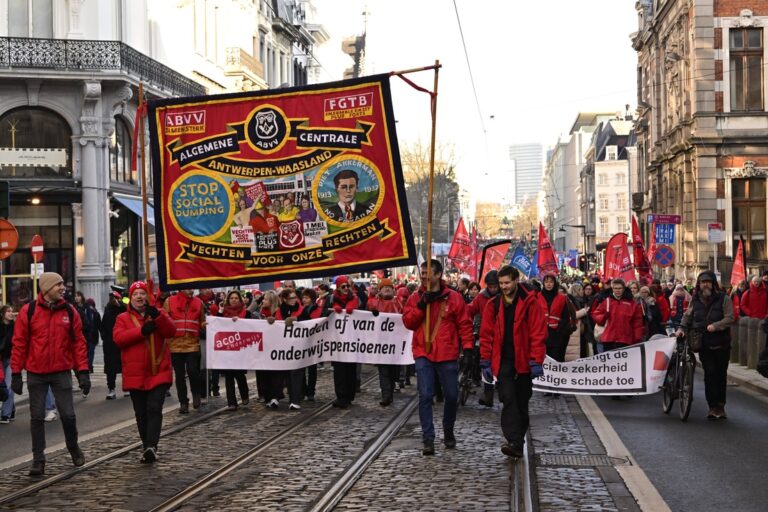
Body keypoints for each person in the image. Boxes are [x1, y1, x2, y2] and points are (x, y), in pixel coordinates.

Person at [11, 272, 89, 476]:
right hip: (36, 373)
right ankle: (38, 460)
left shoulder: (70, 312)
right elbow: (19, 343)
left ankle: (73, 447)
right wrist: (17, 373)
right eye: (58, 285)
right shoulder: (28, 312)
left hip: (61, 372)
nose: (63, 288)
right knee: (37, 417)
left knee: (68, 415)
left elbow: (78, 343)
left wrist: (82, 371)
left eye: (63, 284)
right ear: (46, 289)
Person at [402, 259, 474, 455]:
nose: (423, 276)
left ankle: (448, 428)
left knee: (451, 395)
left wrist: (468, 349)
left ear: (438, 274)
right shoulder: (415, 297)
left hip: (447, 353)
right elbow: (408, 322)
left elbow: (465, 324)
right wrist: (420, 305)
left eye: (427, 273)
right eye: (422, 273)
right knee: (425, 395)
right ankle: (428, 438)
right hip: (423, 352)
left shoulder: (454, 297)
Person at [479, 265, 546, 458]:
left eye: (507, 282)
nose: (504, 286)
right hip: (504, 360)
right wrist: (485, 360)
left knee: (522, 401)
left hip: (524, 359)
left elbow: (537, 332)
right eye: (501, 283)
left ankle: (518, 437)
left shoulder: (530, 302)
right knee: (508, 398)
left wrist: (536, 360)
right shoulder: (493, 304)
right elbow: (486, 334)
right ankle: (514, 440)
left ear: (516, 280)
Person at [113, 282, 175, 463]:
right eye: (136, 294)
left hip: (158, 370)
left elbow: (171, 331)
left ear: (148, 297)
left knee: (154, 408)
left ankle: (151, 445)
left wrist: (159, 317)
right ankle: (146, 445)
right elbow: (119, 339)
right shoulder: (122, 318)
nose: (139, 297)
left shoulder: (158, 314)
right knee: (141, 413)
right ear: (130, 298)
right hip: (136, 373)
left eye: (142, 293)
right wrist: (141, 331)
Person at [676, 271, 734, 419]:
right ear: (699, 284)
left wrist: (716, 326)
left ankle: (720, 406)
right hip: (705, 343)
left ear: (713, 284)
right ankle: (712, 406)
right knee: (710, 374)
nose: (705, 284)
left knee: (721, 375)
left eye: (708, 282)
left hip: (722, 343)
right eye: (703, 282)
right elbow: (687, 316)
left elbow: (730, 318)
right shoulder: (695, 300)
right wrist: (682, 329)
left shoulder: (724, 299)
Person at [163, 288, 206, 414]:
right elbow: (164, 319)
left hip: (192, 343)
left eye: (192, 287)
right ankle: (183, 402)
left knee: (193, 371)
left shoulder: (198, 302)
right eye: (188, 287)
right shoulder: (169, 301)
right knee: (180, 375)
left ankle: (196, 394)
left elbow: (202, 320)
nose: (190, 290)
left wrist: (205, 325)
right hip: (175, 344)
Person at [367, 278, 403, 406]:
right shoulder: (374, 303)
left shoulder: (399, 303)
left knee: (393, 371)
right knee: (384, 370)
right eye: (384, 287)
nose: (387, 289)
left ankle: (390, 390)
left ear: (393, 290)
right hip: (381, 343)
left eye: (389, 287)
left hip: (395, 344)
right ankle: (386, 395)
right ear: (380, 291)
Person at [468, 270, 501, 406]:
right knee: (486, 363)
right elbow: (471, 309)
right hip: (486, 334)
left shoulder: (504, 295)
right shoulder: (481, 298)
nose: (493, 289)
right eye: (491, 286)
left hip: (501, 335)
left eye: (495, 286)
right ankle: (488, 394)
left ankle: (501, 388)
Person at [330, 275, 360, 408]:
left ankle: (349, 395)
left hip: (351, 341)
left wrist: (350, 307)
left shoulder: (354, 298)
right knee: (339, 370)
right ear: (338, 287)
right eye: (343, 286)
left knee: (350, 369)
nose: (346, 288)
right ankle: (341, 396)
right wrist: (335, 308)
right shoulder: (332, 299)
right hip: (337, 341)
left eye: (348, 286)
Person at [590, 278, 644, 352]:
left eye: (619, 288)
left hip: (625, 340)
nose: (617, 290)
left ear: (623, 289)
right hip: (609, 339)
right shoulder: (607, 301)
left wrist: (637, 338)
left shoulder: (632, 304)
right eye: (615, 288)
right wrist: (604, 317)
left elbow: (637, 322)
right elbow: (595, 314)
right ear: (612, 289)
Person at [219, 290, 251, 411]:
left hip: (241, 348)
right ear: (228, 300)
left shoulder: (246, 313)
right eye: (231, 298)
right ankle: (231, 402)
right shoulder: (223, 314)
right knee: (228, 375)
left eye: (236, 298)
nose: (233, 300)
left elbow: (251, 326)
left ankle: (244, 394)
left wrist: (241, 321)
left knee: (239, 374)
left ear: (240, 300)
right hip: (227, 348)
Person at [539, 273, 575, 364]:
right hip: (541, 334)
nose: (549, 284)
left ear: (555, 283)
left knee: (556, 361)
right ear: (543, 283)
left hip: (557, 335)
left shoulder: (562, 298)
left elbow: (566, 317)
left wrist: (560, 330)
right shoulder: (537, 297)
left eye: (551, 282)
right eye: (546, 282)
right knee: (542, 361)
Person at [100, 292, 126, 399]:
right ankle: (111, 388)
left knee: (124, 366)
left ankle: (127, 387)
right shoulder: (107, 312)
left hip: (122, 343)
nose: (113, 300)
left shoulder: (123, 310)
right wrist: (105, 339)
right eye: (112, 298)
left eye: (115, 298)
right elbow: (103, 328)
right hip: (110, 345)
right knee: (110, 369)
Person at [0, 304, 15, 423]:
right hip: (1, 360)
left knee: (9, 385)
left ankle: (5, 414)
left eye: (12, 311)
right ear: (3, 314)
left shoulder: (15, 326)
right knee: (3, 385)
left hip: (11, 358)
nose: (11, 313)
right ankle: (12, 409)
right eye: (8, 311)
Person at [83, 298, 101, 374]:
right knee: (89, 352)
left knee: (90, 352)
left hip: (92, 336)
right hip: (88, 336)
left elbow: (99, 325)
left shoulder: (96, 313)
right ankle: (88, 366)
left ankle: (89, 365)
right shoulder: (85, 312)